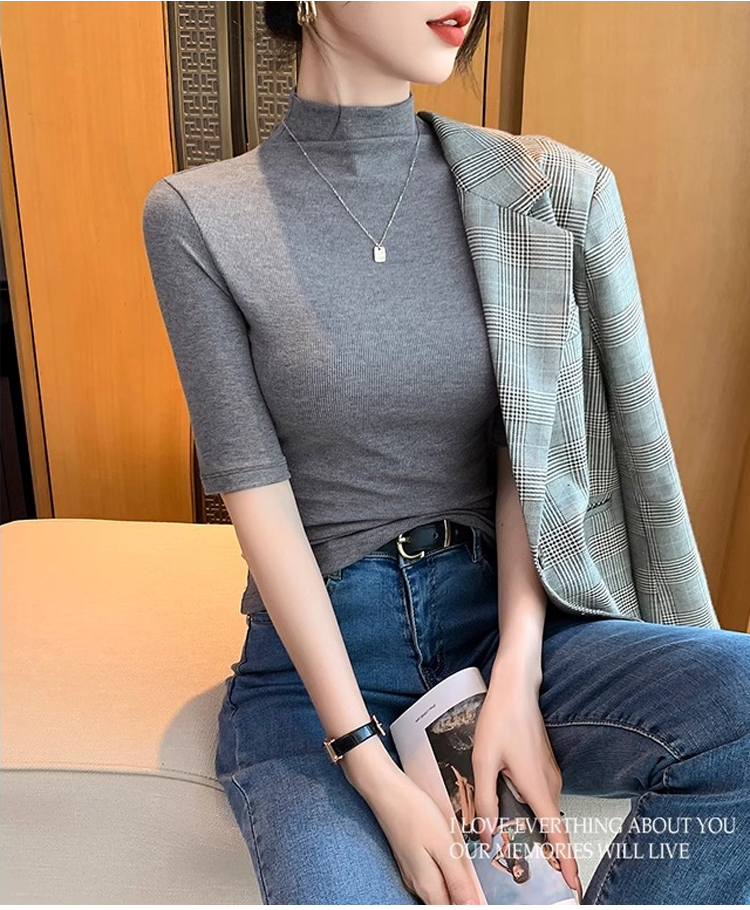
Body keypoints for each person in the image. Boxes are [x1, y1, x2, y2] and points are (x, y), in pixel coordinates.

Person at [141, 1, 750, 904]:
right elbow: (254, 494)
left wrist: (518, 671)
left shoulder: (519, 191)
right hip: (320, 673)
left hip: (496, 617)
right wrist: (369, 764)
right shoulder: (199, 216)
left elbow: (525, 451)